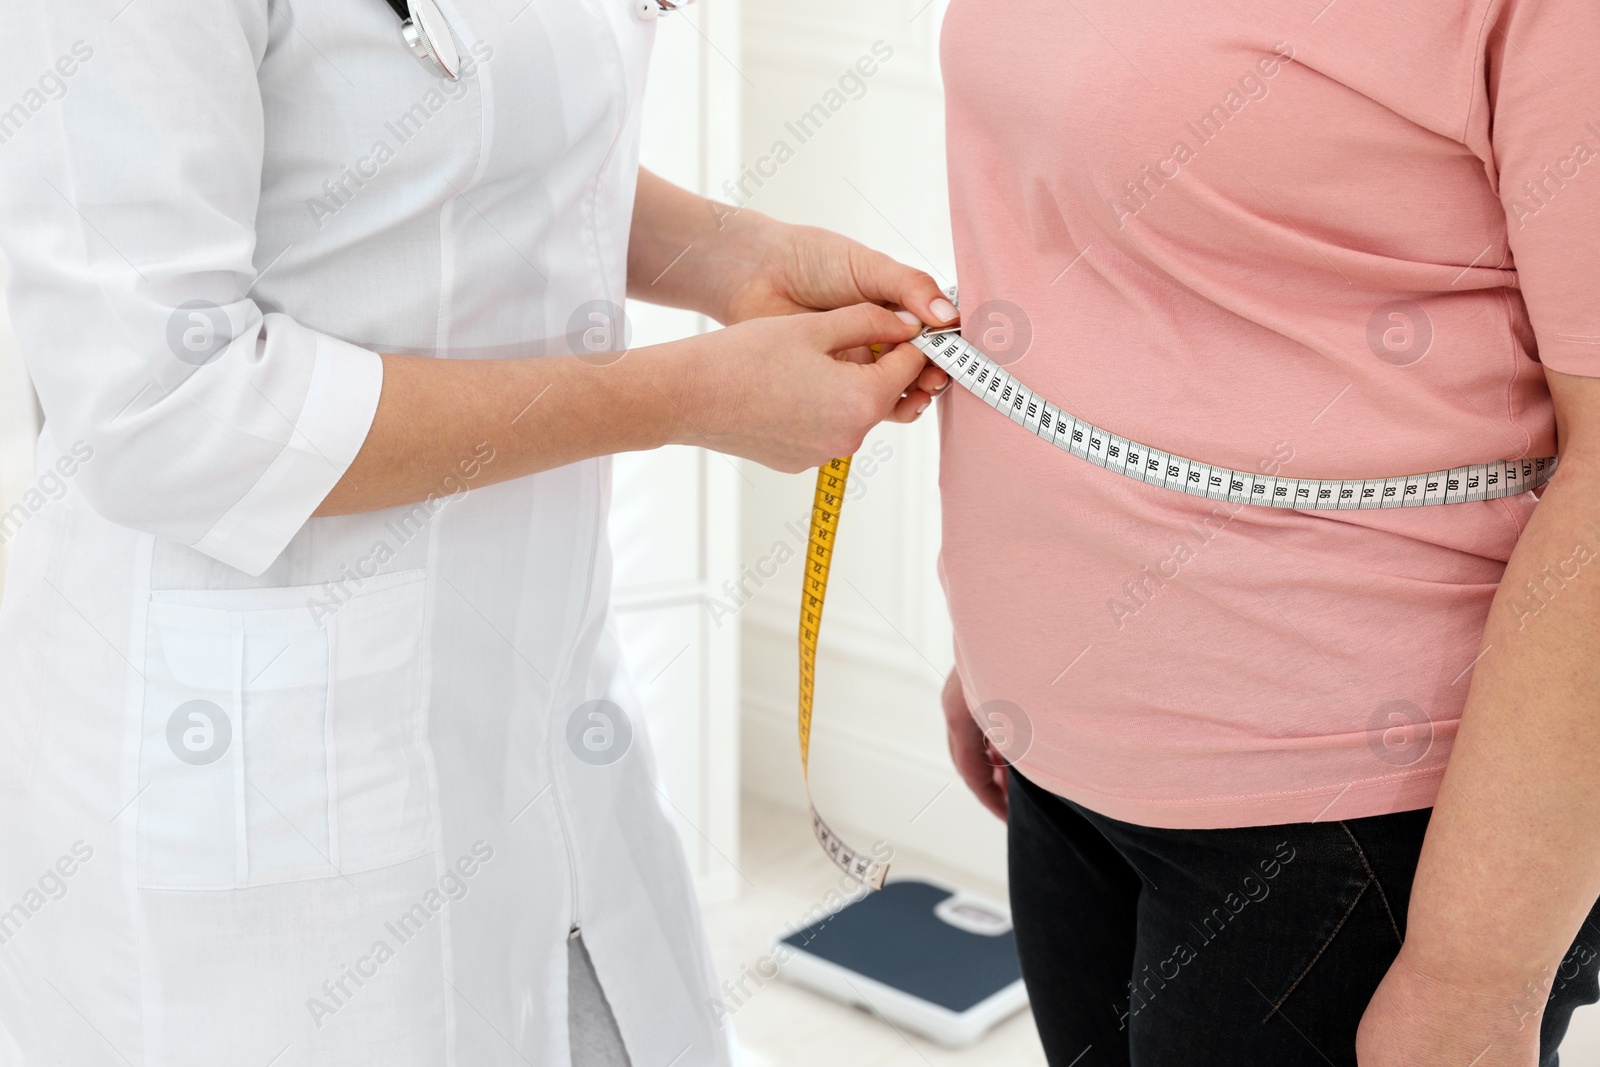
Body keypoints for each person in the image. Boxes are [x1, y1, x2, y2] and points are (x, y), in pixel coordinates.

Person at [0, 2, 954, 1065]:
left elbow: (460, 138)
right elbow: (170, 411)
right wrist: (675, 399)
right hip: (264, 771)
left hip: (542, 701)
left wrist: (734, 259)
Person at [933, 2, 1600, 1065]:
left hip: (1353, 817)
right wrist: (1015, 628)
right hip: (1062, 747)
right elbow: (1101, 256)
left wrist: (1475, 977)